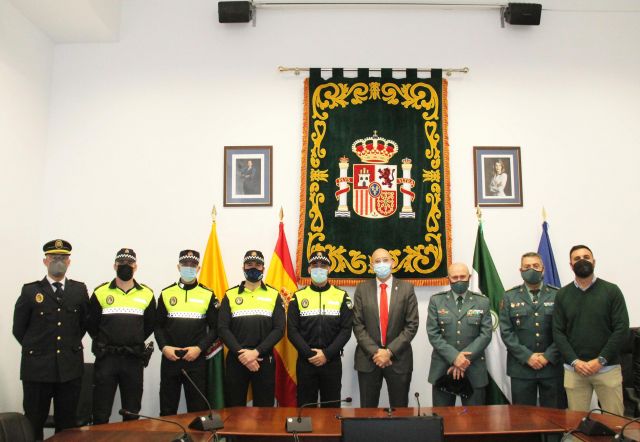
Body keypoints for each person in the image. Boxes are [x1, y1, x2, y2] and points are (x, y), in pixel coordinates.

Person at [12, 239, 89, 440]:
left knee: (67, 425)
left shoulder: (79, 291)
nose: (58, 261)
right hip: (37, 370)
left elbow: (82, 325)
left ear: (69, 262)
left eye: (62, 257)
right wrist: (39, 349)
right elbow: (19, 329)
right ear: (45, 261)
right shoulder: (30, 291)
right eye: (54, 257)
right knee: (34, 422)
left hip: (69, 369)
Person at [552, 245, 629, 414]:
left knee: (615, 423)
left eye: (586, 257)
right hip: (575, 371)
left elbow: (621, 329)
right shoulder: (562, 295)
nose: (582, 261)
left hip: (607, 369)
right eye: (577, 258)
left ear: (593, 261)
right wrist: (575, 361)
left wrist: (600, 360)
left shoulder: (611, 291)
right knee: (577, 426)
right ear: (571, 265)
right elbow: (558, 332)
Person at [88, 248, 156, 424]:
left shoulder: (147, 294)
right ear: (114, 266)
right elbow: (91, 324)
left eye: (129, 263)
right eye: (121, 263)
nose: (125, 266)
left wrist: (131, 339)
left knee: (132, 412)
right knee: (101, 412)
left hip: (133, 359)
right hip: (106, 359)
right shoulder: (100, 292)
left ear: (135, 266)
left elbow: (149, 325)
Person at [155, 250, 219, 416]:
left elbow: (215, 328)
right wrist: (164, 347)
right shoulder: (166, 293)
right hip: (171, 358)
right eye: (185, 265)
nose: (189, 268)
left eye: (192, 265)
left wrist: (199, 348)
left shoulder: (208, 294)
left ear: (198, 268)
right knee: (167, 410)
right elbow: (158, 326)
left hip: (196, 360)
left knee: (198, 411)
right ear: (178, 266)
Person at [352, 248, 419, 408]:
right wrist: (376, 352)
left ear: (393, 263)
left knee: (400, 410)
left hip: (398, 359)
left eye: (385, 260)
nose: (381, 264)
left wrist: (389, 352)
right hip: (369, 360)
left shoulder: (406, 288)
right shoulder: (362, 289)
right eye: (377, 261)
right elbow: (357, 324)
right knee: (367, 412)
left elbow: (412, 324)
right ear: (371, 265)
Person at [218, 250, 284, 407]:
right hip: (236, 359)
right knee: (233, 408)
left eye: (258, 265)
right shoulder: (230, 295)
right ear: (243, 267)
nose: (253, 268)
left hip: (264, 359)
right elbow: (222, 328)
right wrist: (242, 354)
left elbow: (279, 329)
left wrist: (256, 352)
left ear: (263, 268)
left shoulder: (274, 295)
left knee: (265, 409)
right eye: (249, 264)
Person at [499, 252, 566, 408]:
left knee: (555, 418)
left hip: (551, 367)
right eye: (527, 266)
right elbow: (506, 332)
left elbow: (564, 330)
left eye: (536, 266)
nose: (532, 269)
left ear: (543, 269)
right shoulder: (509, 296)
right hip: (521, 368)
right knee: (523, 420)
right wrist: (527, 356)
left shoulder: (558, 295)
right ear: (520, 270)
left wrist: (547, 356)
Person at [287, 251, 353, 407]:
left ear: (329, 269)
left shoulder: (342, 296)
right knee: (305, 407)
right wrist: (310, 354)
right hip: (306, 361)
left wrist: (326, 354)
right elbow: (292, 330)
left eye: (323, 265)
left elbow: (346, 330)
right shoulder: (297, 297)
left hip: (331, 361)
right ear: (309, 270)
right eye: (315, 266)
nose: (319, 269)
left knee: (331, 408)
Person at [427, 262, 492, 406]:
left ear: (469, 277)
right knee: (443, 419)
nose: (459, 280)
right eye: (455, 277)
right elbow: (433, 333)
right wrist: (454, 358)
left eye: (462, 277)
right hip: (443, 368)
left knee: (475, 421)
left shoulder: (482, 302)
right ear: (448, 278)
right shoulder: (436, 301)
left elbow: (486, 334)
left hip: (473, 368)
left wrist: (462, 361)